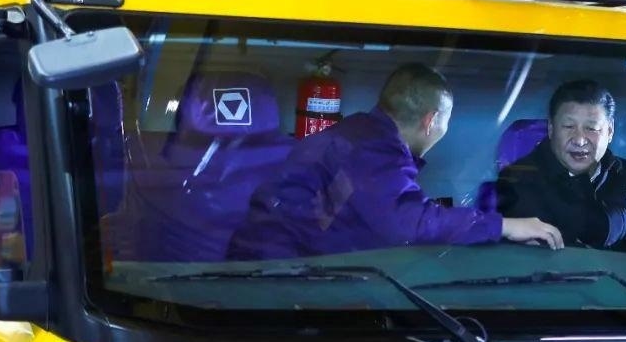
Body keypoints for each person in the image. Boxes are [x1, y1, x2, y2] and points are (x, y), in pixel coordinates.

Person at [227, 63, 562, 259]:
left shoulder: (360, 134)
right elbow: (406, 221)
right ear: (431, 121)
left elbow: (369, 220)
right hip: (272, 286)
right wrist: (505, 226)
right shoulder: (374, 149)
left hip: (275, 271)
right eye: (446, 121)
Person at [494, 79, 626, 254]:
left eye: (591, 128)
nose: (579, 140)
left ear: (610, 131)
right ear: (551, 129)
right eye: (568, 126)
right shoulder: (516, 182)